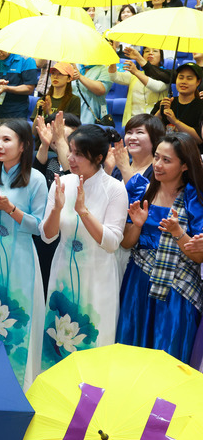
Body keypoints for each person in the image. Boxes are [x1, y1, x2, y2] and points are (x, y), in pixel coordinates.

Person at [39, 125, 128, 370]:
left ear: (98, 158)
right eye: (71, 151)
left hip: (98, 274)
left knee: (93, 340)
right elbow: (47, 236)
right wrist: (57, 209)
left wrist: (83, 212)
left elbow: (111, 243)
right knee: (58, 338)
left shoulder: (115, 189)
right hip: (63, 271)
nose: (71, 158)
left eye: (79, 154)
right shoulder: (62, 183)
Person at [0, 118, 47, 389]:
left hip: (22, 261)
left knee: (16, 320)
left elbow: (40, 227)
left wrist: (10, 209)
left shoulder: (36, 179)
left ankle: (16, 386)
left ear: (24, 145)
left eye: (6, 140)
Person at [117, 132, 203, 363]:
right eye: (156, 157)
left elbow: (198, 255)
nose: (158, 165)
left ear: (185, 165)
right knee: (131, 352)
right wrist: (136, 225)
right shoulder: (141, 189)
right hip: (138, 281)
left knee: (168, 354)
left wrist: (178, 232)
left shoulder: (194, 198)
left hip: (177, 288)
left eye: (167, 160)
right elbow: (126, 243)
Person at [108, 48, 168, 126]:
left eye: (155, 51)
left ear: (161, 57)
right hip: (133, 121)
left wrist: (136, 72)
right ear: (142, 56)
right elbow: (114, 77)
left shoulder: (166, 75)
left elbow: (157, 87)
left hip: (154, 123)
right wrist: (113, 58)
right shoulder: (134, 73)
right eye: (147, 51)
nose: (150, 53)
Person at [151, 62, 203, 144]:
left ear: (198, 82)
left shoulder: (200, 106)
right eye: (181, 77)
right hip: (164, 151)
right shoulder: (164, 103)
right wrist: (160, 113)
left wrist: (175, 122)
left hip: (191, 154)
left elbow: (199, 139)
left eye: (189, 78)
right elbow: (149, 129)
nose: (184, 82)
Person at [106, 114, 165, 184]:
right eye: (129, 132)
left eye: (139, 132)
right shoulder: (119, 167)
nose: (132, 137)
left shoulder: (158, 171)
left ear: (155, 138)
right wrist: (108, 169)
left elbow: (140, 194)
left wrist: (124, 167)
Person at [0, 49, 37, 120]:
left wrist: (6, 88)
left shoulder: (27, 60)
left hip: (17, 109)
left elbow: (29, 88)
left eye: (1, 49)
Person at [34, 112, 81, 188]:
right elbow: (35, 179)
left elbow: (72, 179)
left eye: (59, 131)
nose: (55, 136)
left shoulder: (83, 162)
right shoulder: (51, 161)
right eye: (52, 132)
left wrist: (60, 140)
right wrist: (44, 145)